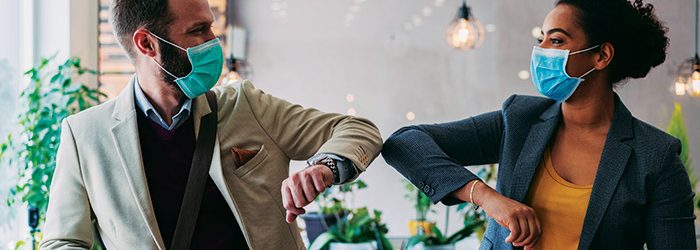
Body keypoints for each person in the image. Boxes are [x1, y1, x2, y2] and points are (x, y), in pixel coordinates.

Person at [40, 0, 382, 249]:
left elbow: (359, 130)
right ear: (147, 44)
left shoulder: (247, 105)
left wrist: (323, 168)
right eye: (198, 30)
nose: (213, 42)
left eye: (211, 27)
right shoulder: (85, 135)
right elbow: (63, 240)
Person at [383, 0, 695, 249]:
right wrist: (488, 198)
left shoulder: (656, 157)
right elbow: (404, 142)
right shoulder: (518, 120)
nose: (541, 50)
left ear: (601, 55)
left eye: (556, 40)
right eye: (540, 38)